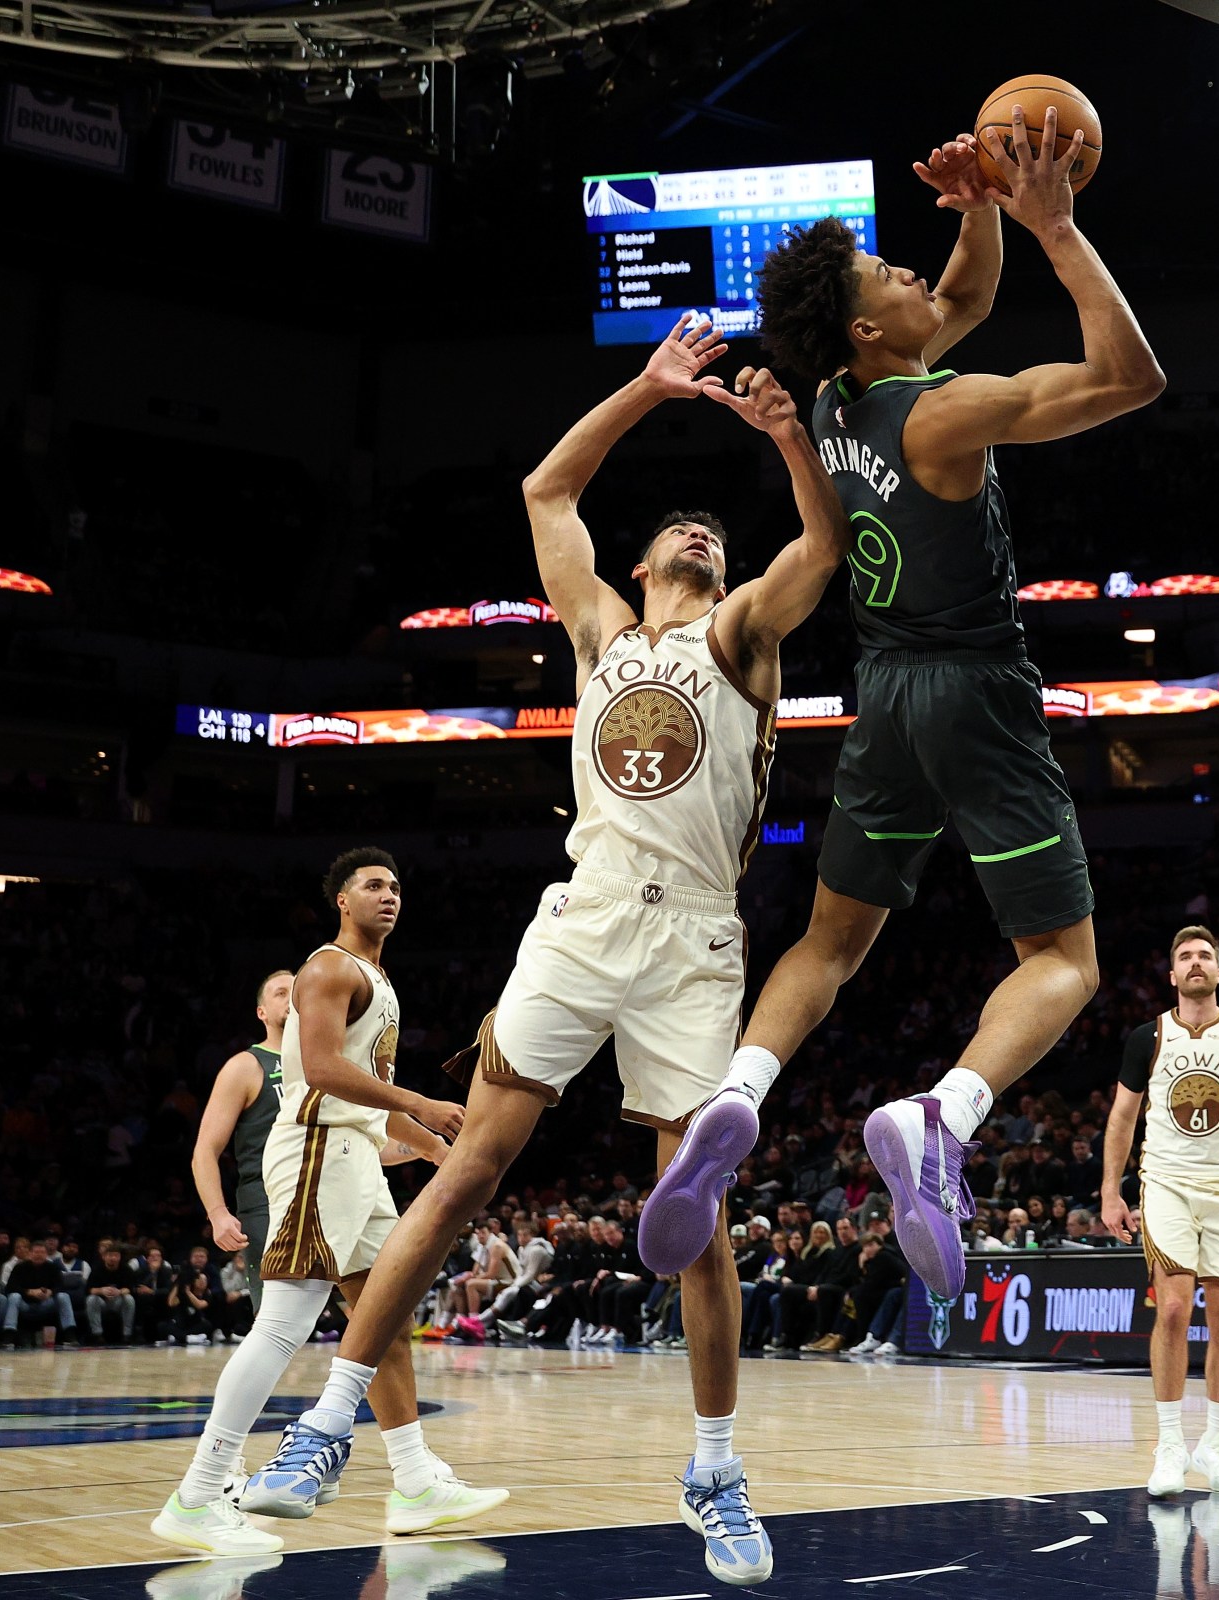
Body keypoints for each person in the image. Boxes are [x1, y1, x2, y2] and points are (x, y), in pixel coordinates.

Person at [256, 343, 843, 1585]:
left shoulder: (740, 633)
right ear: (639, 565)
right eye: (677, 531)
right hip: (582, 919)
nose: (698, 537)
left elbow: (823, 547)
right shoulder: (602, 632)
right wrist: (651, 389)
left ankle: (717, 1470)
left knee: (701, 1216)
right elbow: (544, 492)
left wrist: (788, 433)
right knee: (469, 1165)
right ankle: (322, 1430)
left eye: (712, 536)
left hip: (694, 934)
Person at [654, 110, 1166, 1312]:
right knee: (1064, 959)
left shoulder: (838, 395)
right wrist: (1057, 223)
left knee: (829, 946)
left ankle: (733, 1096)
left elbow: (959, 301)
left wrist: (979, 205)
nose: (914, 274)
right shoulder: (940, 416)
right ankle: (944, 1113)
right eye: (891, 274)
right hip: (978, 693)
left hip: (880, 694)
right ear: (873, 327)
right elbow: (1129, 377)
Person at [160, 849, 497, 1556]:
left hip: (353, 1157)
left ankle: (414, 1480)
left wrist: (438, 1149)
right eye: (373, 885)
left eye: (397, 886)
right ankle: (199, 1492)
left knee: (385, 1318)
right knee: (283, 1325)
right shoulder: (328, 967)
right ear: (342, 900)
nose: (389, 896)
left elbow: (364, 1091)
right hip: (318, 1152)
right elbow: (321, 1071)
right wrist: (421, 1104)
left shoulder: (376, 977)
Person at [1100, 926, 1219, 1497]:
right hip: (1165, 1182)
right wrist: (1112, 1191)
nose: (1195, 963)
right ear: (1171, 975)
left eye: (1204, 956)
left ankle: (1215, 1442)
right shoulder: (1148, 1037)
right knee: (1173, 1310)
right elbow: (1121, 1118)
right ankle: (1168, 1447)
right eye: (1184, 956)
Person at [192, 970, 292, 1309]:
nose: (292, 997)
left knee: (373, 1315)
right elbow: (205, 1150)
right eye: (281, 992)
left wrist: (428, 1148)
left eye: (299, 991)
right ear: (261, 1012)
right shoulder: (246, 1066)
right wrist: (218, 1213)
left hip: (325, 1200)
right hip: (268, 1202)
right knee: (277, 1322)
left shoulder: (326, 1064)